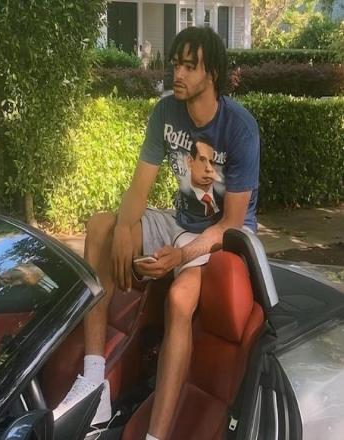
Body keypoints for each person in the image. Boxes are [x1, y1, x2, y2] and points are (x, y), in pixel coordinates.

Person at [54, 26, 260, 440]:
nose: (177, 74)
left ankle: (156, 435)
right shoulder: (166, 112)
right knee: (100, 226)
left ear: (211, 73)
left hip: (224, 238)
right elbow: (139, 188)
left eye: (189, 66)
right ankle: (95, 385)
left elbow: (231, 224)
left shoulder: (239, 128)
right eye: (176, 64)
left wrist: (180, 258)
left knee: (180, 299)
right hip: (178, 222)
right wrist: (124, 227)